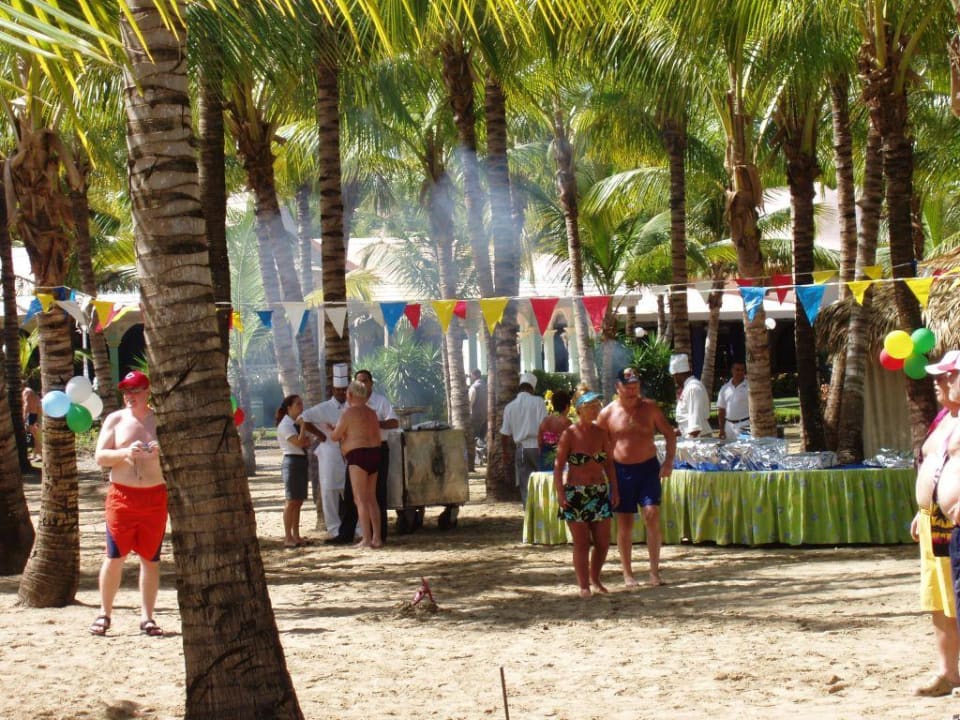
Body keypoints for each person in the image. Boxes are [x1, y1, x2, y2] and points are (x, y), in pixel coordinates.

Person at [89, 370, 167, 638]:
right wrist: (125, 452)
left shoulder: (160, 418)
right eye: (126, 391)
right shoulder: (115, 419)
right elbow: (100, 456)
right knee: (114, 557)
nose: (129, 396)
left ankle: (147, 617)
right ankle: (104, 613)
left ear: (147, 391)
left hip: (154, 497)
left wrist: (159, 450)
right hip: (122, 496)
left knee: (150, 559)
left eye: (134, 391)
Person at [596, 367, 676, 587]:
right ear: (617, 387)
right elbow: (598, 444)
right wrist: (603, 472)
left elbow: (669, 434)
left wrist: (669, 461)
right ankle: (627, 573)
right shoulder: (607, 413)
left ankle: (654, 572)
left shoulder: (649, 408)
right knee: (625, 522)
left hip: (648, 468)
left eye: (636, 387)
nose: (633, 392)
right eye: (628, 388)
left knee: (651, 514)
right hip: (621, 471)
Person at [912, 349, 960, 696]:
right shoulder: (945, 418)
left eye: (947, 376)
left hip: (955, 523)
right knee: (939, 600)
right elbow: (934, 463)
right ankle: (948, 672)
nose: (938, 381)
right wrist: (922, 508)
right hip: (934, 522)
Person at [554, 391, 619, 598]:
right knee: (582, 542)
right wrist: (560, 493)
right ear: (580, 409)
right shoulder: (570, 434)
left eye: (598, 405)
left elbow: (608, 464)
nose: (596, 409)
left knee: (602, 541)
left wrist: (614, 489)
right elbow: (558, 466)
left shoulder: (601, 433)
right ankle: (584, 584)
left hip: (598, 491)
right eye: (591, 405)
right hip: (576, 493)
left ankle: (595, 577)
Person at [327, 369, 399, 544]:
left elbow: (335, 436)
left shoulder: (349, 413)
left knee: (360, 498)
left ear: (350, 395)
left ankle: (366, 538)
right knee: (372, 498)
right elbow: (374, 434)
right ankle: (377, 538)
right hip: (375, 453)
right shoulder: (371, 413)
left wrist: (334, 431)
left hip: (358, 456)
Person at [301, 365, 349, 540]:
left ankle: (357, 528)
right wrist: (319, 434)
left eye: (344, 390)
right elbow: (302, 419)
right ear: (332, 390)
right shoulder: (323, 408)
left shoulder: (353, 406)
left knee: (350, 491)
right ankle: (334, 529)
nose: (341, 393)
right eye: (338, 390)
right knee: (329, 491)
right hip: (329, 453)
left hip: (349, 454)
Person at [500, 372, 547, 508]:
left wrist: (505, 453)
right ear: (532, 388)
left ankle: (529, 515)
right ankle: (542, 512)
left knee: (525, 484)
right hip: (537, 447)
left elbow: (504, 434)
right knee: (542, 480)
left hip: (520, 449)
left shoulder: (510, 407)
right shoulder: (538, 401)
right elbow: (544, 426)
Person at [276, 394, 312, 548]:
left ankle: (296, 535)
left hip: (301, 460)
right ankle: (288, 536)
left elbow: (306, 442)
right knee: (291, 501)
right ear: (289, 407)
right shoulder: (286, 425)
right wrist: (303, 426)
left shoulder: (294, 424)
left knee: (298, 501)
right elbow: (299, 442)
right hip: (292, 461)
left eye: (301, 404)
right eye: (298, 404)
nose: (301, 407)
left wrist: (302, 432)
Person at [670, 353, 712, 438]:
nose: (674, 380)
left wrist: (687, 445)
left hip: (698, 441)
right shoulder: (688, 388)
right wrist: (679, 431)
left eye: (673, 376)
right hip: (693, 437)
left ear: (677, 375)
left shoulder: (693, 389)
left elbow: (695, 427)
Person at [539, 389, 572, 471]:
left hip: (545, 458)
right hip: (561, 459)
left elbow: (539, 441)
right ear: (567, 406)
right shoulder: (567, 422)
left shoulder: (545, 420)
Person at [716, 360, 749, 440]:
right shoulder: (724, 388)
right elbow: (721, 410)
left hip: (745, 426)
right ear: (732, 370)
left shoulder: (749, 386)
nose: (740, 372)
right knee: (730, 451)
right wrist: (721, 429)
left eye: (742, 370)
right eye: (737, 370)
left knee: (745, 450)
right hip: (729, 427)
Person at [22, 387, 42, 462]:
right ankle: (34, 454)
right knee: (31, 435)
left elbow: (26, 405)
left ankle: (39, 455)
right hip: (34, 414)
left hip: (32, 415)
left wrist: (24, 417)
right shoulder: (31, 391)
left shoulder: (26, 392)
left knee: (35, 435)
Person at [468, 368, 488, 442]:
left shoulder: (474, 387)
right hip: (486, 416)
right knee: (482, 440)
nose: (470, 377)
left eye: (471, 376)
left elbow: (470, 403)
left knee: (475, 439)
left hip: (475, 417)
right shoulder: (487, 386)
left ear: (474, 376)